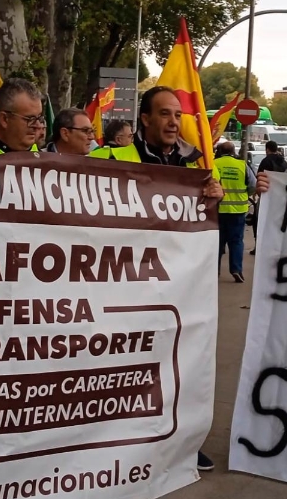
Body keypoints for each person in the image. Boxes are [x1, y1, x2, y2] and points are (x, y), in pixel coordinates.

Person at [85, 85, 221, 473]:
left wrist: (212, 195)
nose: (174, 122)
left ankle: (182, 443)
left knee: (180, 366)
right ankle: (107, 442)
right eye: (165, 114)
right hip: (123, 283)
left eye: (178, 115)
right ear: (144, 119)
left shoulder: (196, 165)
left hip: (178, 288)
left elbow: (204, 216)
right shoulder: (112, 156)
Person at [214, 141, 252, 283]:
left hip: (218, 210)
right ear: (233, 151)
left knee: (217, 242)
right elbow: (253, 185)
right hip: (238, 210)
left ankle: (214, 270)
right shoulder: (242, 165)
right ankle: (236, 270)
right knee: (236, 241)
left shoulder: (214, 164)